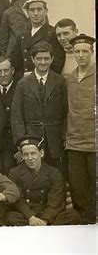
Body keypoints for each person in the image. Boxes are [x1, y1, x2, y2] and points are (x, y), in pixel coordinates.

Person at [11, 41, 68, 177]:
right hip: (31, 138)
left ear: (52, 59)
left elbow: (66, 112)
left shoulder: (60, 81)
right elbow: (16, 115)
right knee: (33, 175)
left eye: (46, 58)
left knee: (56, 175)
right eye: (39, 59)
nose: (43, 62)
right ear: (32, 59)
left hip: (54, 139)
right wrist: (22, 142)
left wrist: (64, 136)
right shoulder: (23, 83)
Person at [6, 136, 82, 226]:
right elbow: (17, 199)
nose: (30, 158)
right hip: (27, 215)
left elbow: (55, 200)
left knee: (73, 215)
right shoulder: (15, 172)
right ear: (22, 156)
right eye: (26, 154)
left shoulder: (54, 172)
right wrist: (31, 217)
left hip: (48, 214)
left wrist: (45, 220)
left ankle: (41, 226)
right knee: (10, 217)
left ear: (41, 153)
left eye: (33, 153)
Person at [65, 34, 96, 224]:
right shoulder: (69, 78)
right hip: (74, 142)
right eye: (77, 51)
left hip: (94, 143)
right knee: (78, 187)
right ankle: (83, 222)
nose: (81, 55)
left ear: (92, 53)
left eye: (85, 51)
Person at [6, 0, 65, 77]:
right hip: (25, 80)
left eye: (39, 9)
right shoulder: (22, 35)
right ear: (27, 13)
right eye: (32, 10)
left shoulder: (52, 33)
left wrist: (36, 75)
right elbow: (14, 59)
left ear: (46, 11)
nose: (35, 13)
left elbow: (58, 62)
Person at [0, 56, 19, 174]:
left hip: (14, 141)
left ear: (12, 70)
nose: (3, 74)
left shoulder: (20, 87)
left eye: (6, 70)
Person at [0, 0, 34, 64]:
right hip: (15, 56)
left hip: (34, 54)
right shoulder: (9, 13)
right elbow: (4, 39)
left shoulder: (39, 10)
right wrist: (5, 57)